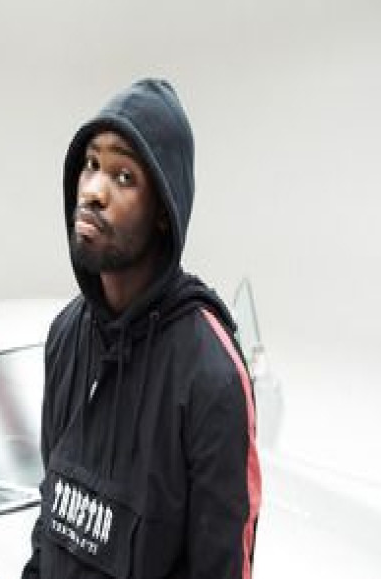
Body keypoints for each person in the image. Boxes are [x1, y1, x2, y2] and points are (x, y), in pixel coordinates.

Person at [22, 78, 261, 579]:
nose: (93, 191)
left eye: (124, 176)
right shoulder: (65, 336)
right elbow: (51, 525)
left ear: (163, 213)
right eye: (91, 164)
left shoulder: (211, 376)